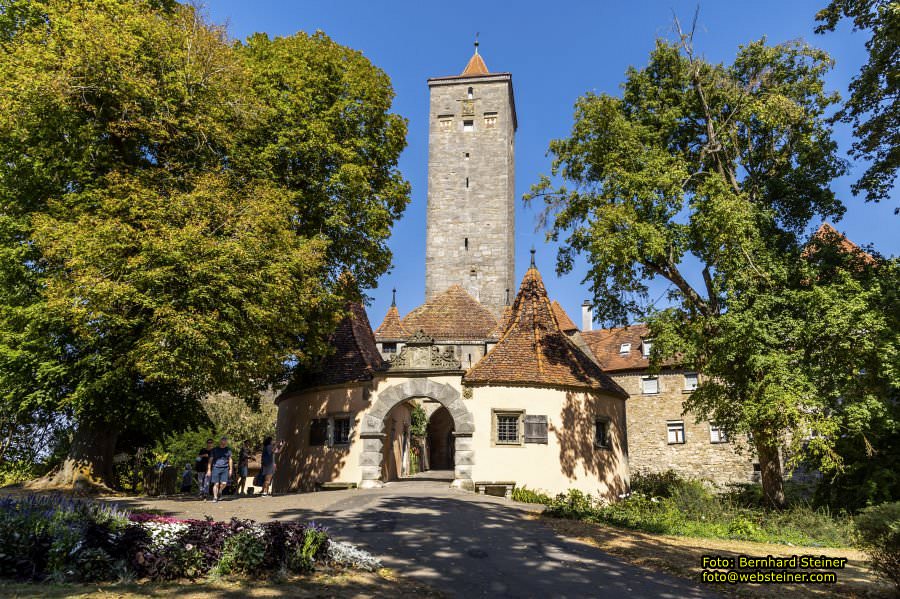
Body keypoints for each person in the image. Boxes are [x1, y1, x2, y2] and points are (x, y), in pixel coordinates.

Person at [207, 436, 233, 502]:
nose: (224, 442)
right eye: (223, 440)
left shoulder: (228, 450)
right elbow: (210, 460)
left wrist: (230, 469)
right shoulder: (214, 450)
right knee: (216, 484)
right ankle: (215, 497)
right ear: (220, 441)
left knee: (224, 483)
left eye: (225, 440)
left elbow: (230, 460)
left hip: (225, 468)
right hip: (216, 467)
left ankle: (220, 490)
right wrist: (209, 470)